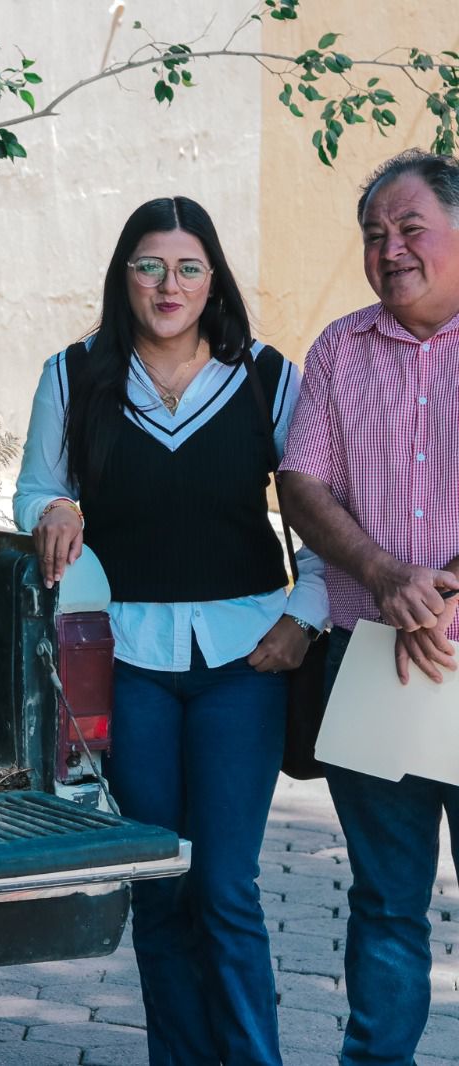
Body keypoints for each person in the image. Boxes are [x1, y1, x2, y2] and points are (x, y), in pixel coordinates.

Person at [14, 195, 328, 1066]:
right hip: (128, 661)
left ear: (214, 279)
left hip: (246, 662)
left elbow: (324, 510)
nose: (168, 283)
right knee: (159, 886)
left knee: (226, 887)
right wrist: (58, 506)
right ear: (124, 277)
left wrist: (303, 619)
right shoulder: (72, 375)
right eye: (149, 265)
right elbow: (32, 489)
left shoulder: (269, 377)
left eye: (189, 266)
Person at [279, 149, 459, 1065]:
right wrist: (388, 575)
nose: (391, 249)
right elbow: (302, 481)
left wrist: (441, 589)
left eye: (410, 227)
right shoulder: (342, 350)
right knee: (386, 900)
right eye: (374, 235)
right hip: (372, 663)